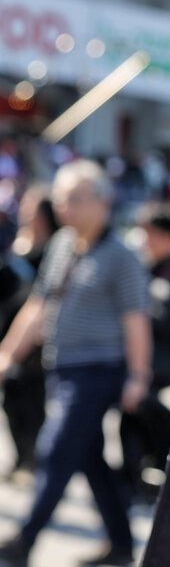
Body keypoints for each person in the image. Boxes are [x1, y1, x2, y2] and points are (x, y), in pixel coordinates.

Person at [0, 161, 152, 567]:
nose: (66, 207)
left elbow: (135, 319)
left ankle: (24, 539)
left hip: (98, 369)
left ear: (102, 202)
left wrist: (138, 375)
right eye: (63, 198)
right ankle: (121, 542)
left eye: (76, 198)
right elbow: (39, 305)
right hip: (62, 367)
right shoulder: (65, 245)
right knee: (88, 457)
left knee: (57, 447)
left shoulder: (120, 256)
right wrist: (8, 354)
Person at [119, 202, 170, 502]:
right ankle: (134, 474)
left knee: (143, 413)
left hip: (162, 365)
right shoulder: (150, 269)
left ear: (169, 238)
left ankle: (154, 473)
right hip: (146, 361)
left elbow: (166, 320)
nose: (143, 241)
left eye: (150, 234)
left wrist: (134, 311)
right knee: (132, 419)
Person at [1, 183, 53, 479]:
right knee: (11, 399)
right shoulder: (18, 244)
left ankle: (32, 462)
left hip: (36, 343)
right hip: (11, 330)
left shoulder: (55, 249)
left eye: (31, 210)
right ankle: (22, 459)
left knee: (33, 403)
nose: (25, 215)